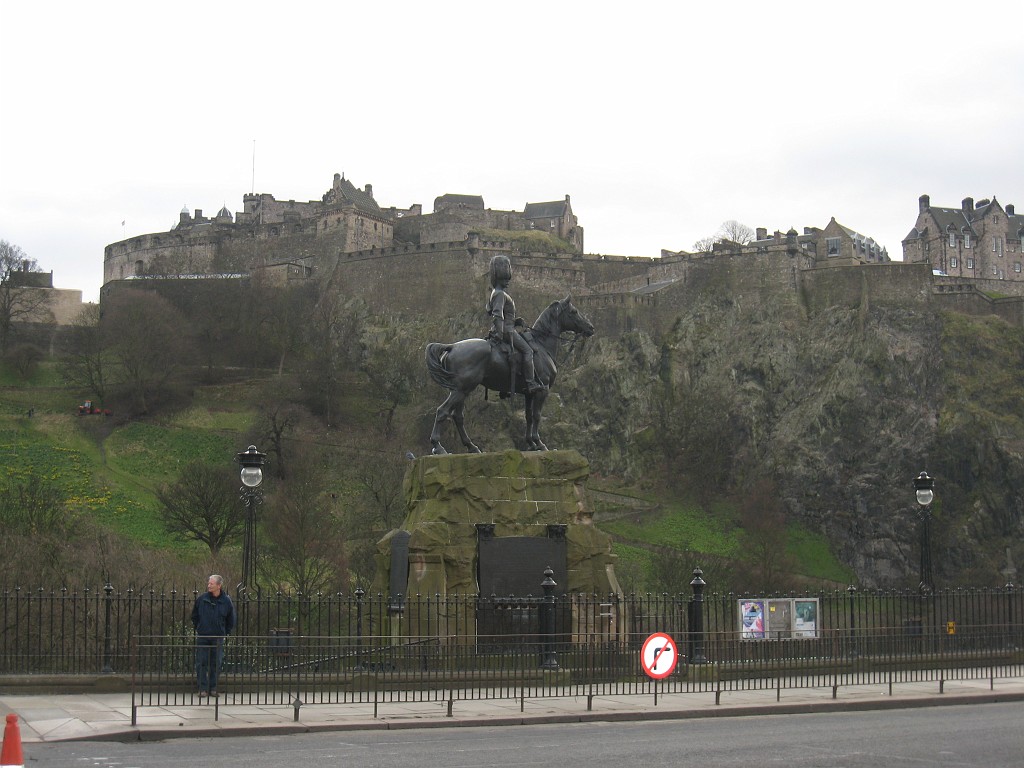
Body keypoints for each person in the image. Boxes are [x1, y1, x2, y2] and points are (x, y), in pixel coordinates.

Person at [486, 254, 546, 393]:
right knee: (528, 351)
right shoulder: (500, 294)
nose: (508, 281)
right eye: (504, 279)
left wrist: (516, 320)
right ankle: (531, 383)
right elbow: (497, 315)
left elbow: (504, 315)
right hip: (507, 331)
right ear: (498, 278)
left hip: (507, 327)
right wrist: (501, 335)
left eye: (508, 278)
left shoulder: (496, 292)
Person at [191, 574, 236, 697]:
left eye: (211, 583)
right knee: (201, 663)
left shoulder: (226, 601)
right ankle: (202, 688)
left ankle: (213, 687)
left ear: (219, 585)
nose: (209, 585)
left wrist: (224, 631)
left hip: (217, 636)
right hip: (203, 636)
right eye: (209, 583)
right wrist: (199, 627)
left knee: (216, 663)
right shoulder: (202, 599)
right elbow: (194, 616)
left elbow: (231, 619)